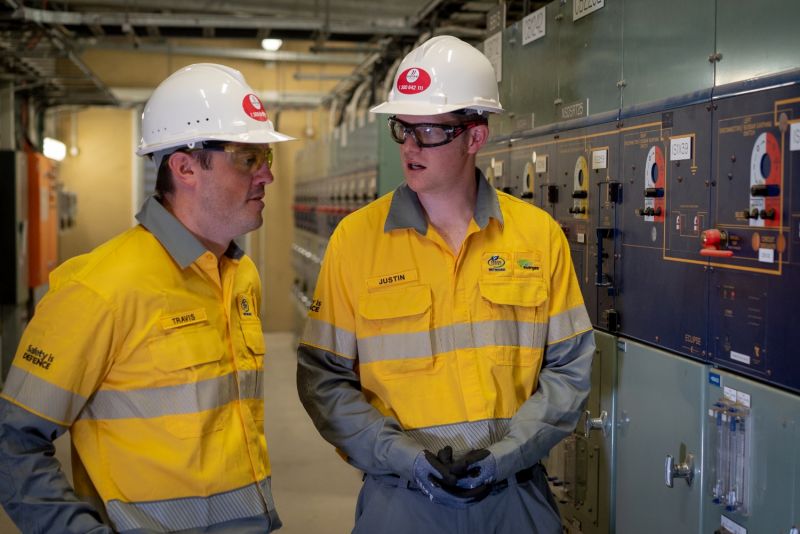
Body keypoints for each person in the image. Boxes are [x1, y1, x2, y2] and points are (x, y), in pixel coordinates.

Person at [296, 35, 595, 533]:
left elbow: (571, 367)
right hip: (401, 499)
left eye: (429, 131)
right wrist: (406, 458)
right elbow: (324, 380)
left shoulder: (537, 235)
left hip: (513, 497)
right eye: (402, 129)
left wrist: (505, 455)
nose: (410, 147)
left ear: (474, 136)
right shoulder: (356, 240)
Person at [0, 63, 293, 533]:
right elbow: (13, 440)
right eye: (247, 158)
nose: (266, 177)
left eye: (266, 159)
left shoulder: (241, 277)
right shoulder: (100, 287)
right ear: (184, 166)